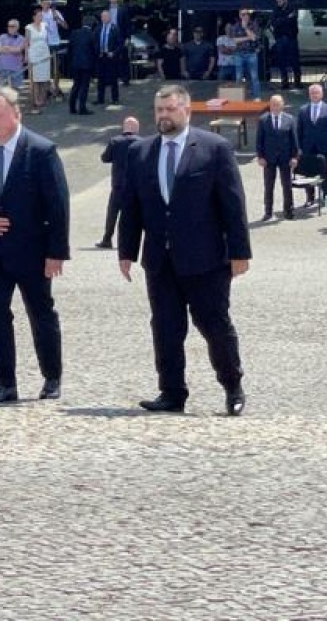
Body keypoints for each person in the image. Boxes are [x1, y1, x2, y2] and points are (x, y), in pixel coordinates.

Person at [119, 82, 252, 416]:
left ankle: (232, 386)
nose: (163, 115)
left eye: (170, 109)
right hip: (160, 260)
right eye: (159, 110)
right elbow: (131, 205)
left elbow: (233, 204)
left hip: (206, 259)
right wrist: (126, 251)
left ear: (187, 110)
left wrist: (240, 252)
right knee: (165, 327)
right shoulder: (140, 152)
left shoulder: (214, 148)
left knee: (214, 325)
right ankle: (171, 392)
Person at [0, 85, 70, 404]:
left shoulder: (41, 150)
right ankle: (5, 383)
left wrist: (56, 253)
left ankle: (52, 377)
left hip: (33, 251)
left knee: (41, 313)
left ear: (15, 114)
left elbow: (58, 205)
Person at [98, 116, 141, 248]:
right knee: (134, 213)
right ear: (136, 129)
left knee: (112, 212)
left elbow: (105, 158)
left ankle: (107, 239)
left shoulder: (115, 141)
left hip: (118, 183)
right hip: (135, 184)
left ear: (124, 127)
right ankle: (131, 241)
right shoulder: (142, 142)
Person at [254, 94, 297, 222]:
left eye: (278, 104)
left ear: (282, 105)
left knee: (287, 185)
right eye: (273, 105)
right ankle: (268, 212)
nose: (275, 107)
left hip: (285, 157)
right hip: (269, 158)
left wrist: (294, 156)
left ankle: (288, 211)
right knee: (268, 186)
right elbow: (259, 140)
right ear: (270, 105)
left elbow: (294, 140)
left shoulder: (289, 119)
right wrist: (260, 156)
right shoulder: (263, 120)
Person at [295, 83, 327, 204]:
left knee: (325, 173)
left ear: (321, 94)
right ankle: (310, 198)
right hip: (307, 147)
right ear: (309, 95)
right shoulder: (303, 110)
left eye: (317, 93)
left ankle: (326, 197)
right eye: (312, 93)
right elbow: (299, 130)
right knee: (308, 173)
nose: (314, 95)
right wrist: (298, 147)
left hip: (324, 147)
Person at [225, 9, 260, 98]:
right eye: (243, 14)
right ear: (240, 16)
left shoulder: (254, 24)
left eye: (247, 14)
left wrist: (245, 28)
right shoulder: (235, 26)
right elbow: (235, 40)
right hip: (239, 54)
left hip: (251, 53)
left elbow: (254, 38)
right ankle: (238, 98)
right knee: (239, 77)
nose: (245, 16)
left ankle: (256, 97)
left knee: (254, 77)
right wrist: (248, 37)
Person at [25, 7, 52, 113]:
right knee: (35, 79)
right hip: (34, 54)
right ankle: (35, 99)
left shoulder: (45, 25)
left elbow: (48, 39)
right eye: (39, 16)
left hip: (44, 53)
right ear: (34, 17)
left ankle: (43, 98)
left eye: (41, 16)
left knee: (44, 78)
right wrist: (26, 55)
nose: (40, 17)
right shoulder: (28, 27)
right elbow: (26, 42)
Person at [93, 9, 123, 108]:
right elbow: (94, 42)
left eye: (106, 16)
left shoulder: (115, 29)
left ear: (109, 17)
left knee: (113, 78)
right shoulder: (98, 29)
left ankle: (115, 98)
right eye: (103, 17)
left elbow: (120, 44)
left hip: (111, 57)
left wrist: (114, 53)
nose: (104, 18)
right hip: (101, 56)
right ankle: (100, 98)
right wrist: (97, 52)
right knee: (100, 78)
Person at [269, 0, 300, 89]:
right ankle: (284, 82)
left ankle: (297, 82)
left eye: (280, 1)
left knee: (294, 61)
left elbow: (292, 21)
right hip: (280, 38)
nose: (278, 3)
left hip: (291, 38)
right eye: (277, 1)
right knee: (281, 61)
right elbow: (274, 22)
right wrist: (286, 18)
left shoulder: (292, 8)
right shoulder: (276, 10)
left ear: (285, 0)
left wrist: (281, 20)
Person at [0, 20, 27, 90]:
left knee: (16, 92)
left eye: (12, 26)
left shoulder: (22, 38)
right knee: (2, 92)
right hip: (3, 68)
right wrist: (12, 49)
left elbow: (18, 50)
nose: (10, 28)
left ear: (17, 27)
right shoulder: (2, 37)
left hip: (16, 69)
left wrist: (6, 48)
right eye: (8, 26)